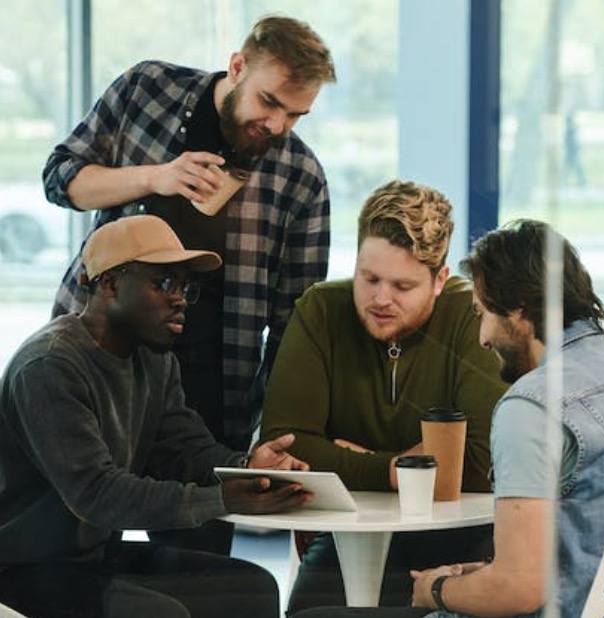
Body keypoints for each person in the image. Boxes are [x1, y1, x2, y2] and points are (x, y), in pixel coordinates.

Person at [42, 13, 335, 554]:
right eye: (269, 102)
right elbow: (61, 179)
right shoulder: (146, 90)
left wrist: (265, 440)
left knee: (201, 575)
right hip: (99, 362)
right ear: (237, 65)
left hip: (209, 391)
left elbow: (293, 327)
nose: (277, 126)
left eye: (296, 114)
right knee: (68, 541)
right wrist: (156, 175)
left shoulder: (301, 176)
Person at [293, 218, 604, 618]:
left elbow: (519, 591)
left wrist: (437, 588)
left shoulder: (531, 407)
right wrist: (482, 577)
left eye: (482, 314)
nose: (482, 337)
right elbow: (577, 554)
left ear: (518, 310)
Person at [0, 214, 315, 618]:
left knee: (251, 587)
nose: (181, 298)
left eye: (186, 286)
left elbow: (185, 448)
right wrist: (219, 500)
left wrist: (246, 467)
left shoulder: (153, 359)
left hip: (92, 559)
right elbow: (98, 496)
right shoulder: (49, 366)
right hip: (23, 569)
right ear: (111, 285)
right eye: (164, 283)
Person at [260, 179, 508, 612]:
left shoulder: (472, 315)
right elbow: (286, 447)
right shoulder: (321, 310)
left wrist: (352, 462)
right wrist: (398, 468)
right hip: (351, 531)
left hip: (462, 536)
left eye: (402, 286)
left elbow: (483, 461)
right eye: (368, 277)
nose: (380, 299)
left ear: (439, 280)